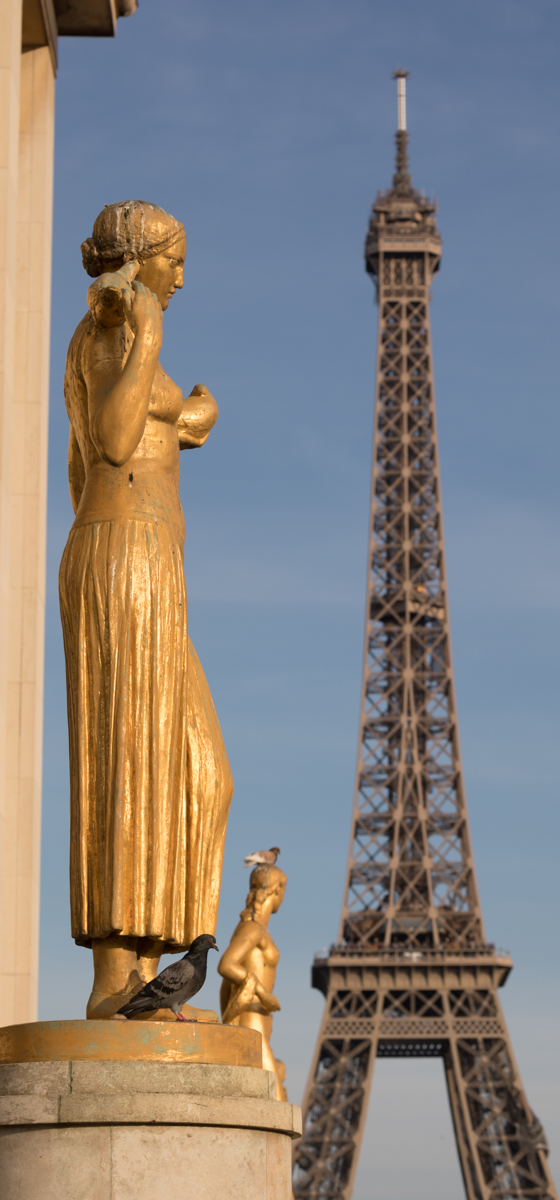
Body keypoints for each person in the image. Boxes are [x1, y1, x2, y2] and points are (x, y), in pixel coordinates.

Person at [60, 200, 233, 1019]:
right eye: (175, 259)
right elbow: (120, 435)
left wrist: (194, 411)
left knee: (200, 775)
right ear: (141, 259)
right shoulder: (112, 330)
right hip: (123, 558)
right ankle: (114, 982)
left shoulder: (126, 338)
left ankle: (155, 970)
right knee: (129, 758)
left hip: (156, 569)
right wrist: (153, 339)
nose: (183, 275)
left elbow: (167, 422)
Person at [218, 864, 287, 1097]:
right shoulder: (252, 929)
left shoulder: (257, 929)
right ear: (276, 890)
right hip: (252, 1017)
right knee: (275, 1099)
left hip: (259, 1018)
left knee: (270, 1101)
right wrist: (264, 994)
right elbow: (226, 965)